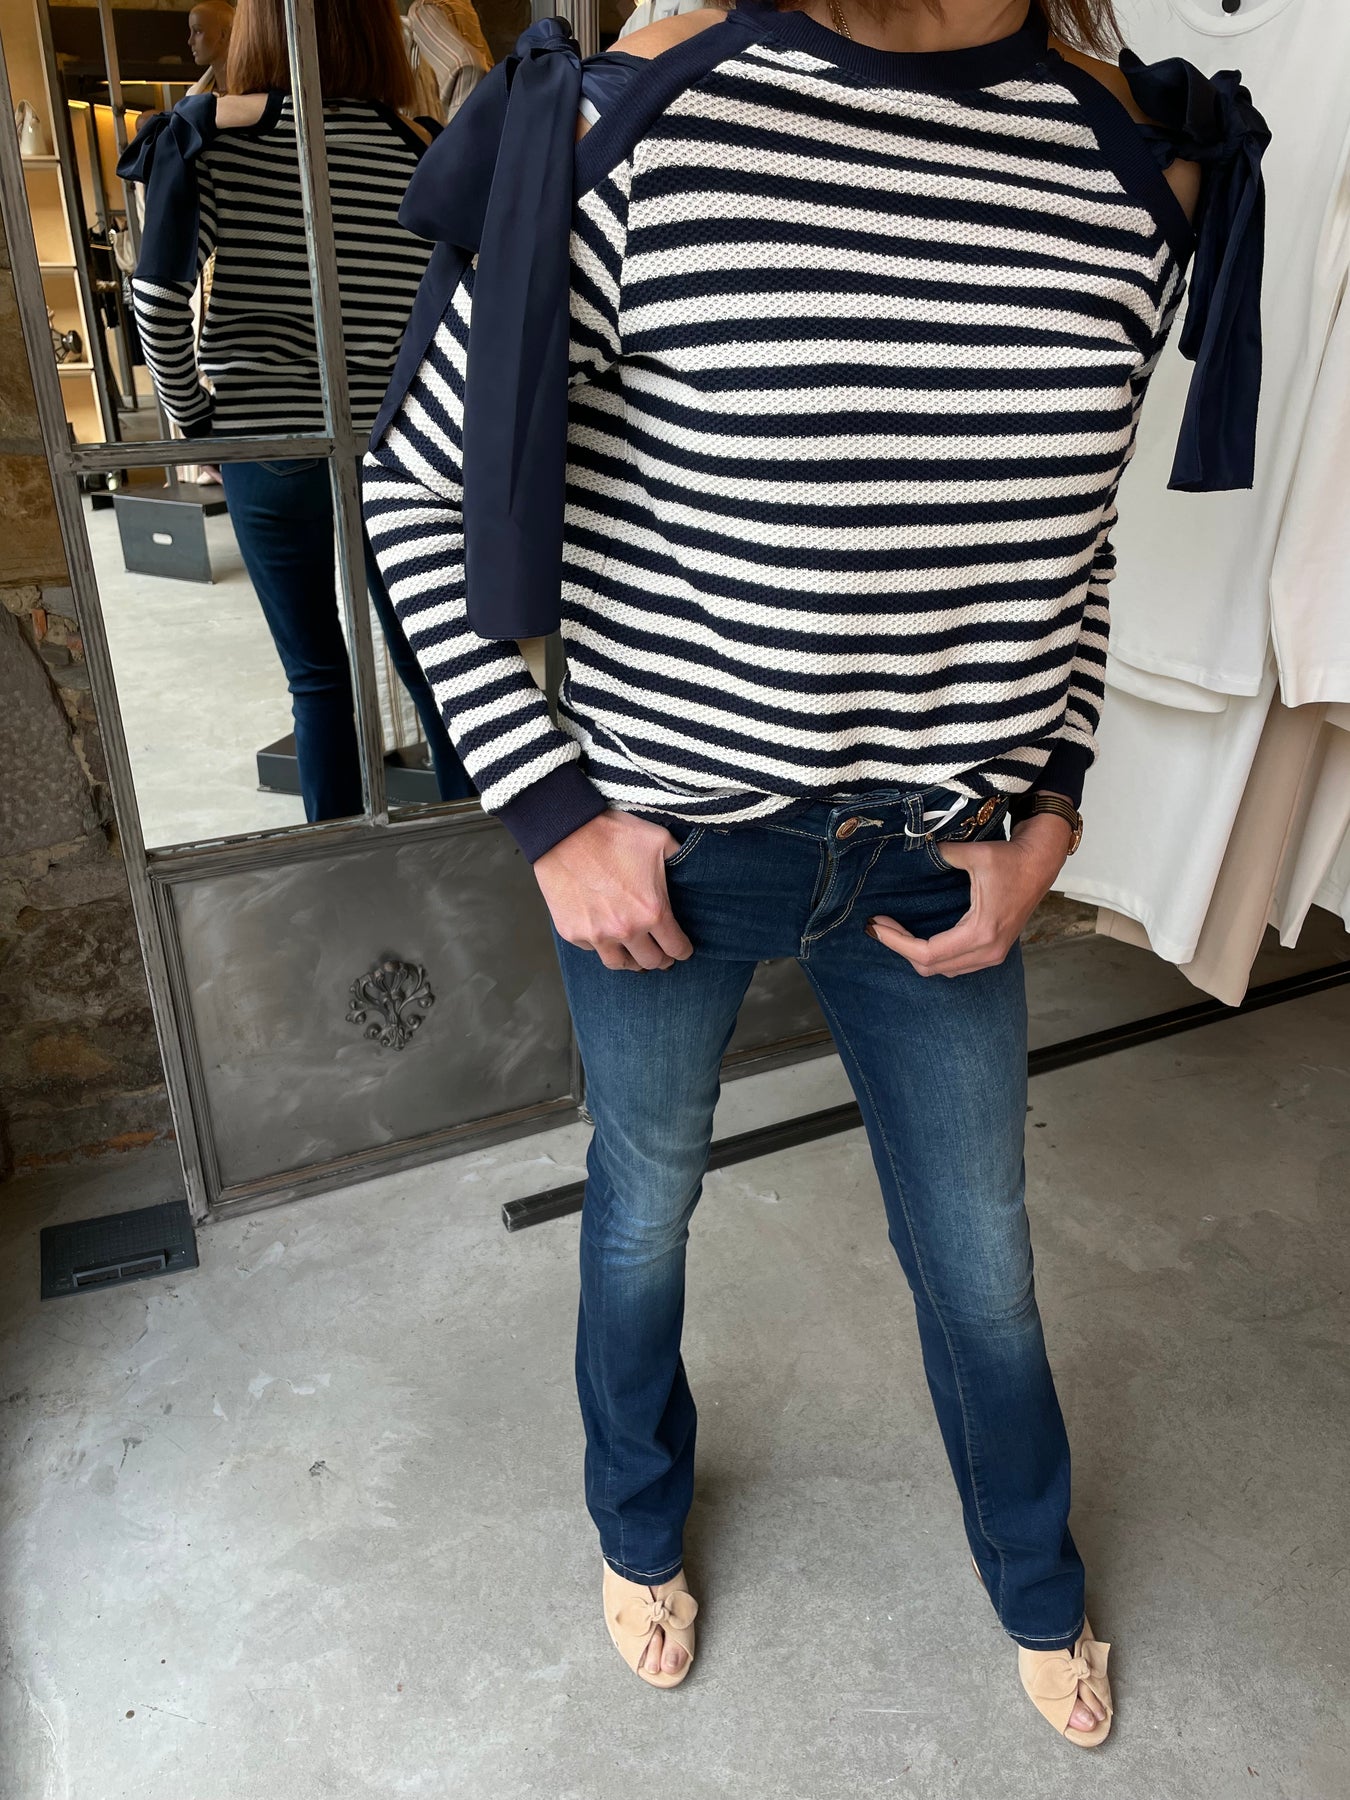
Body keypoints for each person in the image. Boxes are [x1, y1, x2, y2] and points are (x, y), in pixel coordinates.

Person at [364, 0, 1268, 1746]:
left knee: (981, 1252)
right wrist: (552, 814)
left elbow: (1070, 549)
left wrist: (1053, 806)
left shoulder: (1126, 165)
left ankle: (1033, 1572)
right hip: (672, 849)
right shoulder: (640, 127)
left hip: (942, 853)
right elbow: (414, 487)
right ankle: (635, 1518)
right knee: (642, 1205)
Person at [119, 0, 474, 822]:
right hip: (398, 444)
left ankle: (340, 869)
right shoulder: (419, 147)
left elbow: (157, 301)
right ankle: (481, 854)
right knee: (438, 667)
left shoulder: (216, 136)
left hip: (268, 435)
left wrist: (197, 422)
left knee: (317, 677)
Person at [186, 0, 235, 95]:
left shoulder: (256, 94)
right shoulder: (194, 94)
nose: (190, 41)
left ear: (223, 35)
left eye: (198, 31)